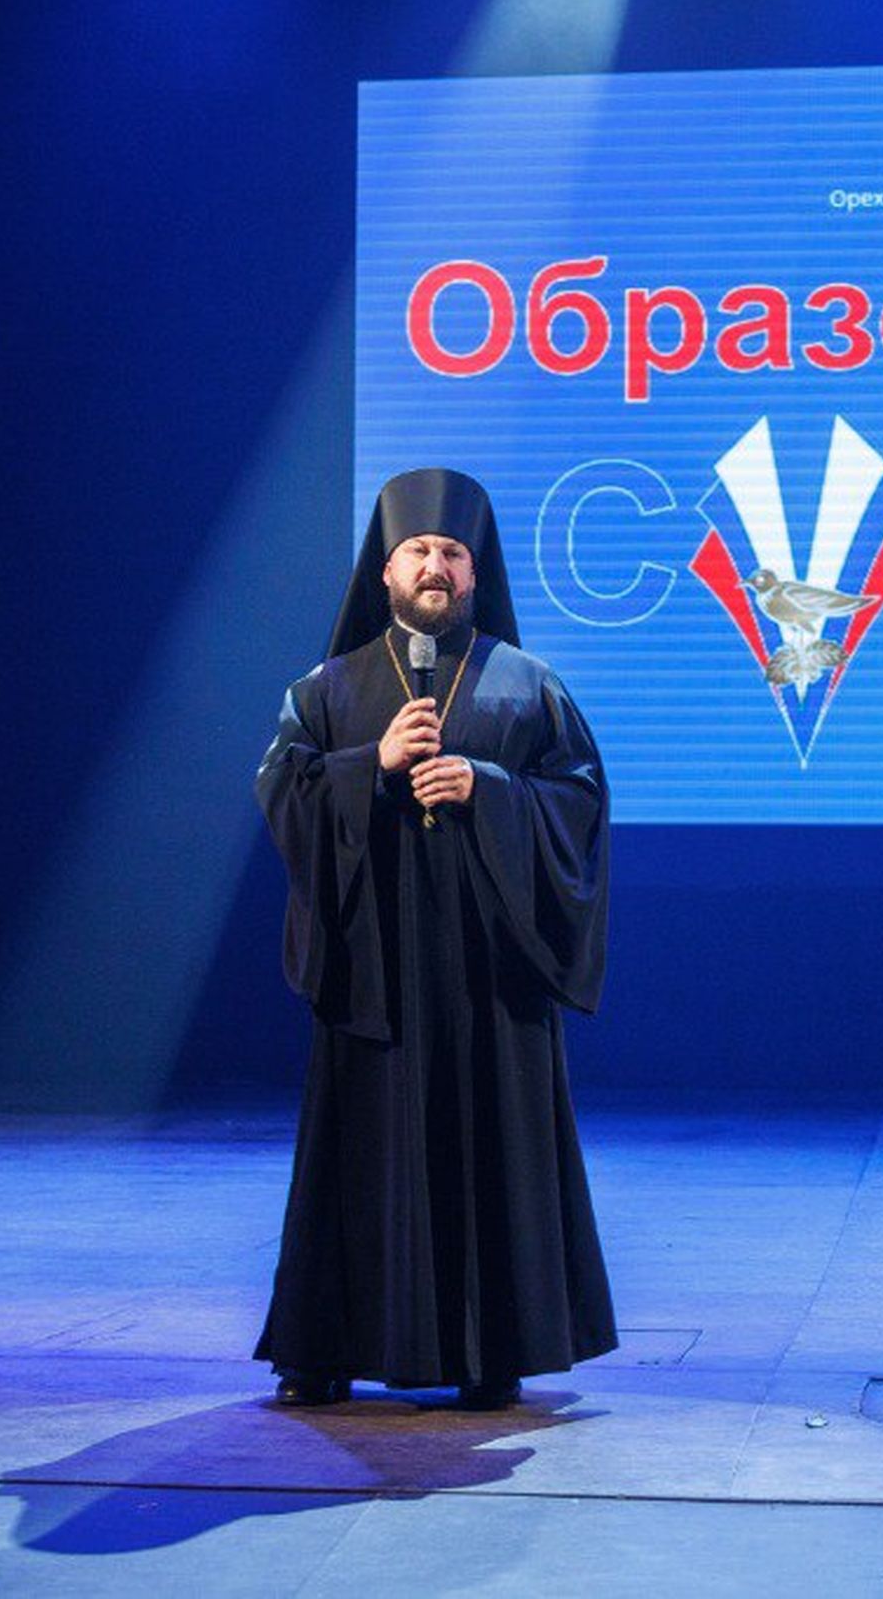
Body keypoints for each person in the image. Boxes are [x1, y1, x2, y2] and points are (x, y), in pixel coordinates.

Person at [253, 467, 616, 1411]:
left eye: (452, 553)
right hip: (372, 971)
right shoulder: (325, 689)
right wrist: (367, 767)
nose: (434, 567)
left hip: (487, 977)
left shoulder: (527, 684)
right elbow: (281, 794)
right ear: (385, 568)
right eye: (417, 549)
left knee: (488, 1150)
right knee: (355, 1154)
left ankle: (490, 1351)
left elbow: (580, 801)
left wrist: (489, 790)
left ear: (474, 571)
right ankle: (323, 1349)